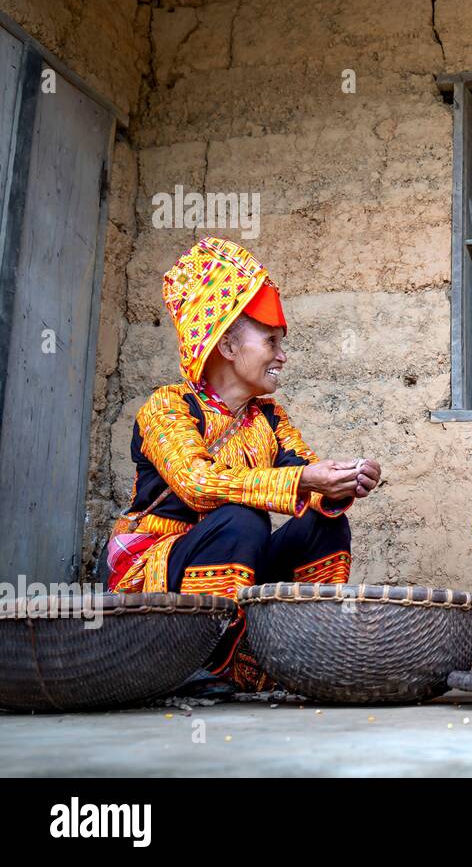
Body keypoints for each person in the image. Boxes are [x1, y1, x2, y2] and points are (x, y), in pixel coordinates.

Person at [109, 237, 381, 689]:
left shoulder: (270, 419)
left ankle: (295, 657)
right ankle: (199, 661)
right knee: (241, 518)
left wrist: (343, 482)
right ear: (229, 347)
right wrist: (301, 481)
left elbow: (305, 479)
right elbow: (196, 484)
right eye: (271, 340)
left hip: (235, 561)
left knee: (325, 525)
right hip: (155, 579)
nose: (282, 355)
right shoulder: (169, 407)